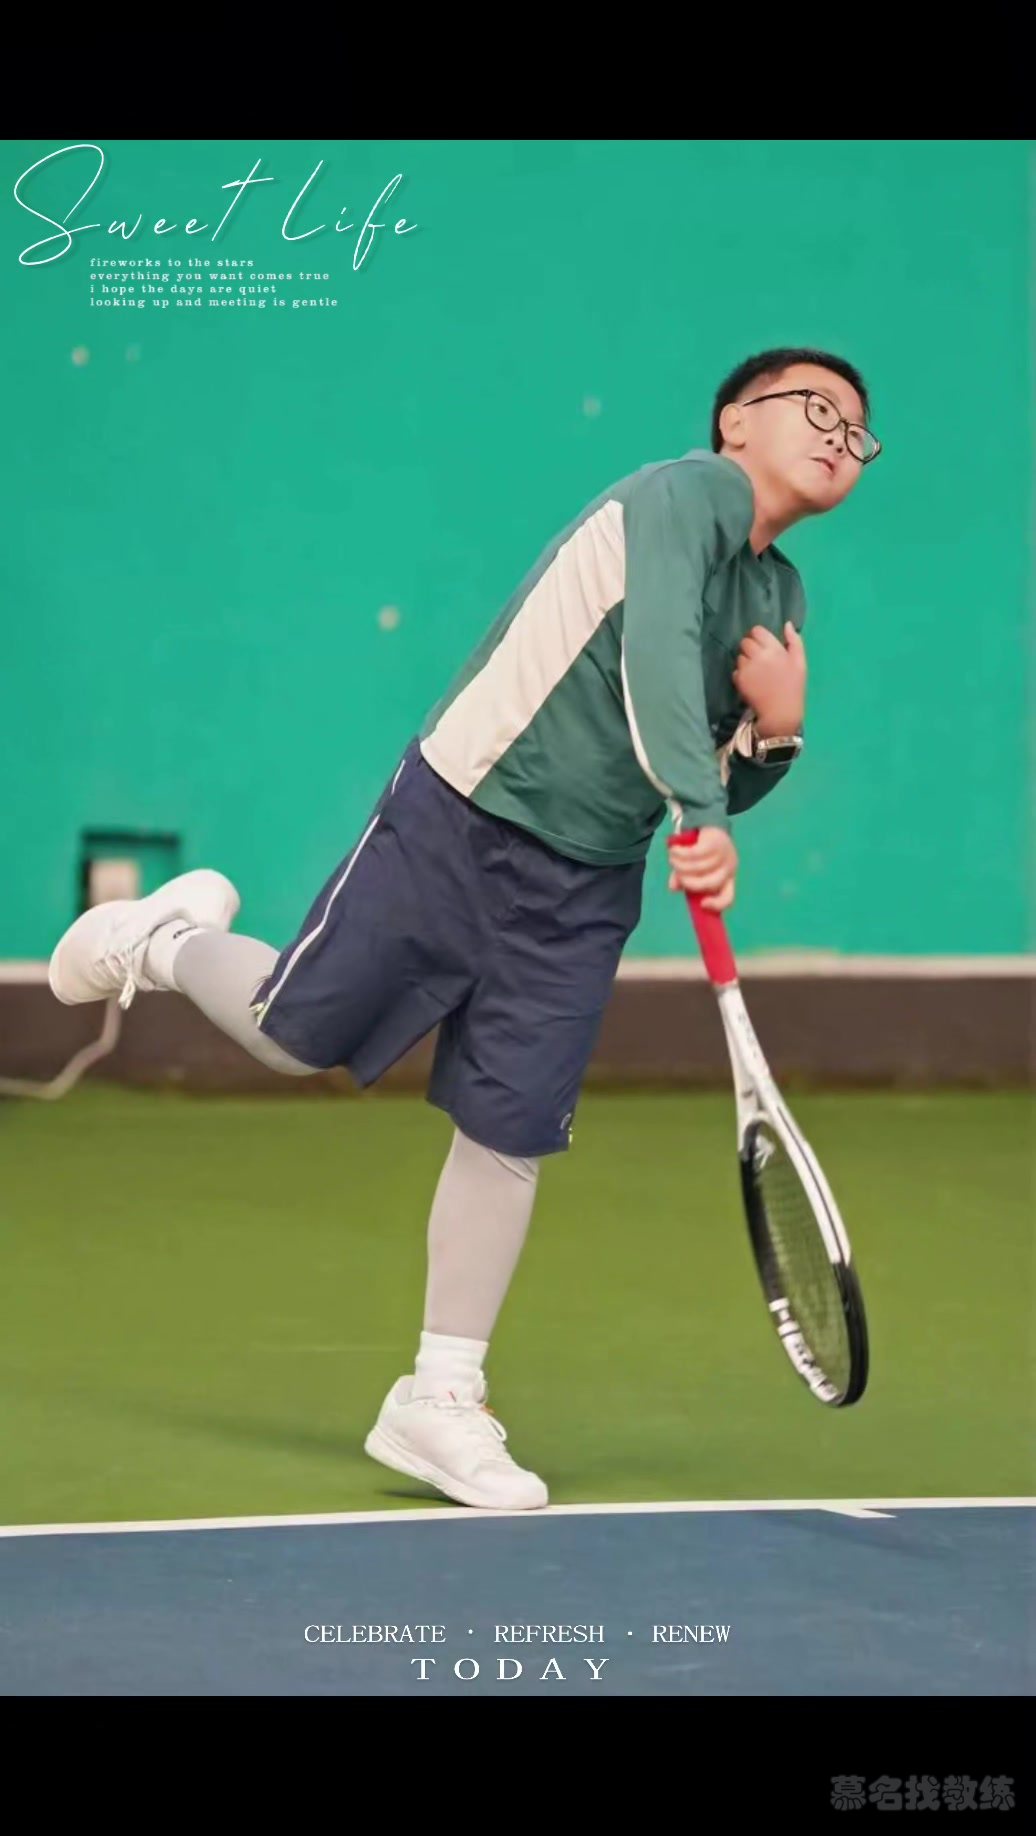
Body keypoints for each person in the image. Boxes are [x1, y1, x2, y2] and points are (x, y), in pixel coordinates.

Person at [48, 346, 880, 1512]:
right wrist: (700, 807)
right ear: (736, 421)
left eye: (858, 431)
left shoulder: (777, 597)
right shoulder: (679, 495)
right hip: (467, 814)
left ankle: (438, 1396)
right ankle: (163, 940)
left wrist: (775, 733)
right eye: (815, 410)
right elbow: (651, 666)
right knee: (294, 1037)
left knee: (509, 1128)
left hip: (586, 886)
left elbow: (719, 769)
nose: (839, 437)